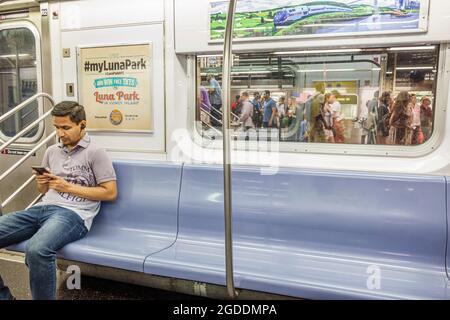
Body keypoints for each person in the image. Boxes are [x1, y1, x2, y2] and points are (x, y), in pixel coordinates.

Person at [0, 101, 118, 300]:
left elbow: (110, 192)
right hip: (43, 207)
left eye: (66, 128)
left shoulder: (96, 153)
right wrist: (42, 182)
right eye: (56, 127)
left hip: (74, 214)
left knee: (37, 250)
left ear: (82, 125)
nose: (60, 134)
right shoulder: (51, 151)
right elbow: (43, 190)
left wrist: (67, 187)